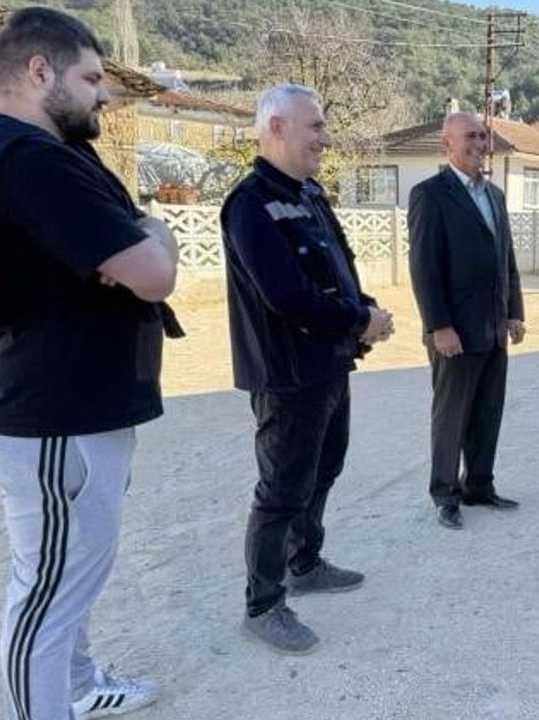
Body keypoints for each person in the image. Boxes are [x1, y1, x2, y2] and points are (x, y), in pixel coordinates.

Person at [0, 7, 178, 718]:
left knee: (69, 577)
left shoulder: (46, 153)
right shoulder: (34, 162)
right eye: (89, 78)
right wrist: (155, 231)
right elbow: (152, 271)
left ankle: (81, 686)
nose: (103, 94)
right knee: (46, 597)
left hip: (75, 409)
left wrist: (138, 241)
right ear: (38, 71)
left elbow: (129, 260)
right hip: (52, 417)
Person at [222, 84, 393, 654]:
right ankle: (263, 603)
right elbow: (285, 295)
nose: (325, 137)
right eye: (314, 126)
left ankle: (305, 562)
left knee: (323, 470)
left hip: (328, 364)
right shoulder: (250, 203)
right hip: (287, 372)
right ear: (276, 127)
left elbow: (337, 267)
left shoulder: (310, 194)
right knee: (281, 489)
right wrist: (358, 320)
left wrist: (363, 310)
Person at [408, 112, 525, 530]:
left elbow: (505, 258)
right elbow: (424, 268)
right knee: (451, 415)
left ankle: (479, 485)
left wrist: (514, 311)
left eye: (483, 136)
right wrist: (439, 325)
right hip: (453, 331)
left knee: (487, 411)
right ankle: (446, 494)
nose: (479, 143)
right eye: (470, 136)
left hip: (494, 327)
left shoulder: (494, 194)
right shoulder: (430, 195)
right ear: (448, 144)